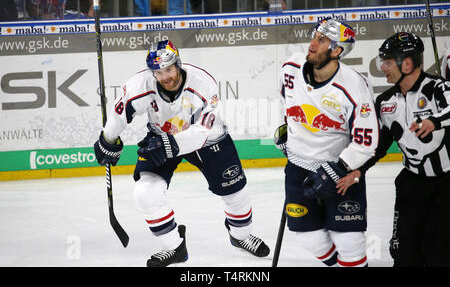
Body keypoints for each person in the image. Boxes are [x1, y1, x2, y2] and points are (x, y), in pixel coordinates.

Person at [94, 40, 270, 267]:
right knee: (145, 193)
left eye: (168, 69)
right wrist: (108, 141)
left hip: (209, 141)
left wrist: (168, 144)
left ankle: (241, 236)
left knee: (237, 193)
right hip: (161, 138)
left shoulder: (203, 83)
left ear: (178, 64)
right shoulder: (139, 85)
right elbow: (119, 115)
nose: (164, 77)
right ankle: (174, 247)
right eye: (158, 72)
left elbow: (204, 130)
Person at [339, 32, 450, 267]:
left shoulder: (438, 88)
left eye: (388, 62)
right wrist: (360, 171)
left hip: (445, 186)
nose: (382, 67)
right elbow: (380, 144)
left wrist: (434, 121)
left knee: (438, 254)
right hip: (411, 185)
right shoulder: (385, 102)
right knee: (402, 253)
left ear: (407, 64)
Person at [277, 18, 379, 267]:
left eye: (321, 40)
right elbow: (285, 101)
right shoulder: (291, 67)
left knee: (349, 242)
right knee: (307, 236)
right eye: (314, 36)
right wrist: (283, 129)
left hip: (340, 171)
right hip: (299, 165)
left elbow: (367, 141)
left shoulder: (354, 85)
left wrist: (340, 168)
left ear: (337, 51)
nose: (312, 43)